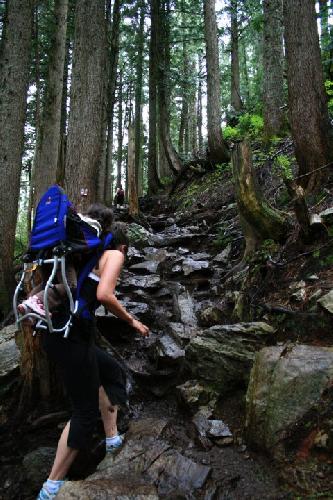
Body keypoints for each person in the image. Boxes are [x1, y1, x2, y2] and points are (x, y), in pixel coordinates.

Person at [37, 218, 149, 500]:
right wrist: (132, 321)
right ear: (123, 245)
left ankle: (112, 439)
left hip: (62, 334)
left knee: (111, 371)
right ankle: (51, 488)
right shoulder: (114, 254)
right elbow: (104, 295)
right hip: (70, 338)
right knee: (84, 413)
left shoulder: (87, 255)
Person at [17, 205, 113, 322]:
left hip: (45, 254)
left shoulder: (76, 219)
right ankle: (37, 301)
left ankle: (27, 304)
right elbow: (87, 247)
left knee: (47, 284)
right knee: (70, 286)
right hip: (63, 257)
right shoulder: (93, 227)